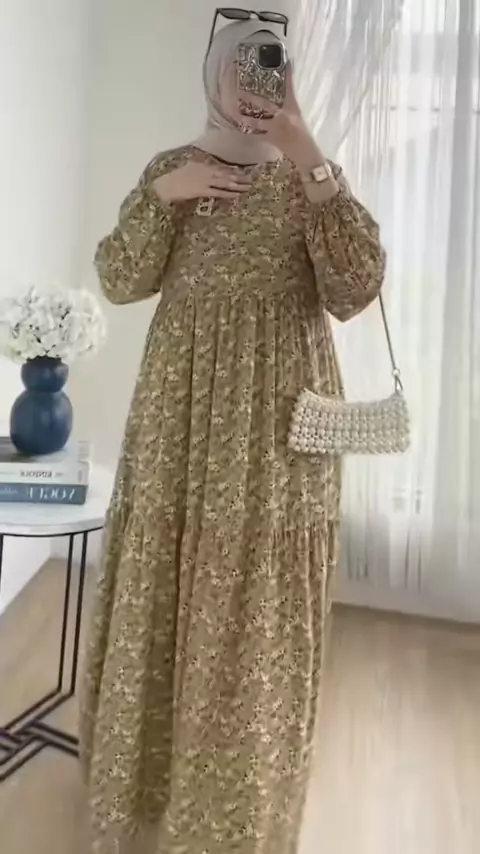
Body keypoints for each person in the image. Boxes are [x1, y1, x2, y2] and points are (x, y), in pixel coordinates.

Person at [80, 18, 386, 854]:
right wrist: (164, 196)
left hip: (280, 430)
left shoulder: (310, 181)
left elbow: (356, 286)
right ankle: (148, 800)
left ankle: (236, 818)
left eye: (268, 75)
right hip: (181, 420)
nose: (253, 92)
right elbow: (118, 279)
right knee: (167, 582)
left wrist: (306, 149)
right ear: (213, 74)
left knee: (257, 605)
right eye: (239, 74)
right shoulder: (171, 172)